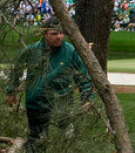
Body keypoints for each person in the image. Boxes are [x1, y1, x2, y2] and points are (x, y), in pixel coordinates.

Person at [7, 17, 93, 146]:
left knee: (65, 140)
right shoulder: (32, 51)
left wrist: (87, 98)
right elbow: (16, 70)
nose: (59, 37)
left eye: (61, 33)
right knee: (36, 140)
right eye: (54, 34)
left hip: (62, 103)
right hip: (36, 102)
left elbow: (83, 77)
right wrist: (11, 90)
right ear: (45, 34)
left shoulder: (70, 51)